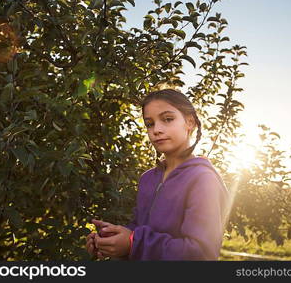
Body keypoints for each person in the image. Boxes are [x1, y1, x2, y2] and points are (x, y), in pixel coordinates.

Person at [85, 88, 230, 260]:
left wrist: (133, 243)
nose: (157, 129)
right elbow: (141, 230)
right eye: (149, 123)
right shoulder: (148, 179)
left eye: (168, 119)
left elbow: (200, 253)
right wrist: (112, 240)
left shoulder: (202, 179)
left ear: (189, 122)